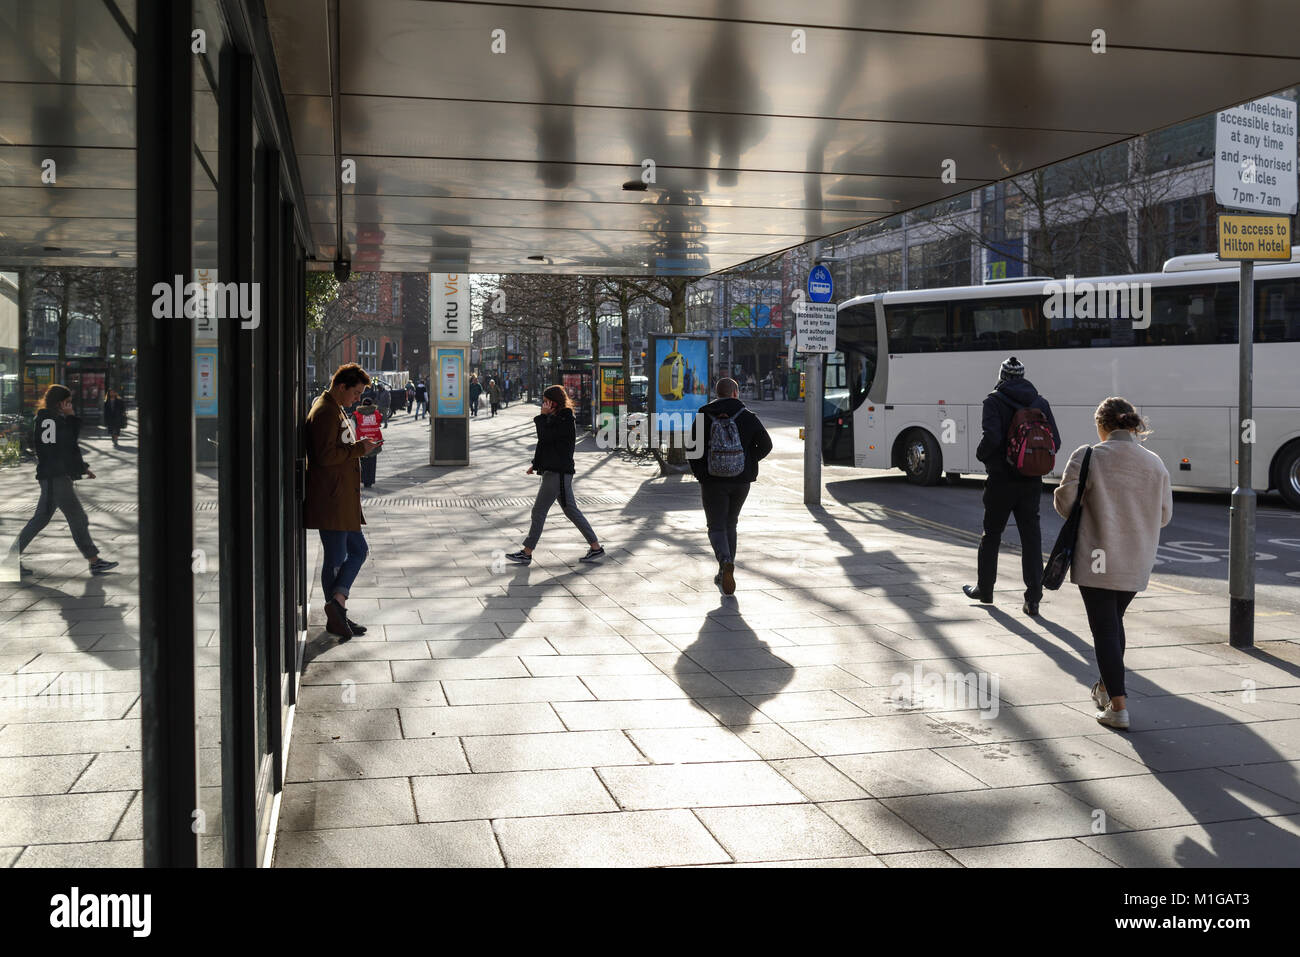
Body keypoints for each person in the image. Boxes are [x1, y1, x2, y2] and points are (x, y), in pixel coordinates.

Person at [1054, 397, 1172, 731]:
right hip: (1136, 559)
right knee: (1113, 621)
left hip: (1097, 557)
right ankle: (1106, 687)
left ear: (1101, 425)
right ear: (1132, 425)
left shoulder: (1088, 456)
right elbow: (1164, 515)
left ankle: (1118, 707)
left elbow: (1066, 505)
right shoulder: (1155, 463)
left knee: (1105, 627)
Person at [964, 356, 1061, 616]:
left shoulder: (993, 401)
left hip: (1001, 480)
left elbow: (992, 437)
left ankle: (985, 590)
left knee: (992, 534)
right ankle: (1033, 598)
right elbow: (1056, 442)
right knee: (1031, 538)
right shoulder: (1040, 402)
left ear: (1002, 376)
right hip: (1031, 482)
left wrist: (983, 457)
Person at [8, 384, 118, 576]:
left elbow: (63, 449)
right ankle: (94, 561)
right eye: (68, 401)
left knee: (41, 519)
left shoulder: (44, 418)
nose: (70, 405)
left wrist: (82, 468)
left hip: (53, 476)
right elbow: (68, 444)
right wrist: (72, 418)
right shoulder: (55, 420)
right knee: (76, 517)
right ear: (60, 402)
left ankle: (10, 559)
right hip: (55, 478)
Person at [305, 363, 381, 641]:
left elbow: (337, 449)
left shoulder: (333, 407)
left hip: (341, 499)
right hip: (333, 499)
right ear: (341, 386)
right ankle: (337, 613)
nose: (357, 398)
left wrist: (358, 446)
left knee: (357, 551)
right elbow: (324, 456)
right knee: (337, 559)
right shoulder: (325, 411)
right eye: (356, 392)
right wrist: (359, 448)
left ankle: (337, 608)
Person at [689, 377, 772, 595]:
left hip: (712, 481)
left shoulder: (703, 414)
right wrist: (748, 461)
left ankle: (725, 561)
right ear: (735, 393)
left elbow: (692, 448)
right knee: (730, 524)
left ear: (717, 393)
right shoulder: (747, 416)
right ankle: (725, 569)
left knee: (716, 526)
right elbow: (766, 444)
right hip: (741, 481)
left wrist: (701, 473)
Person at [506, 385, 604, 565]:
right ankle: (596, 547)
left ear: (554, 402)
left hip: (558, 473)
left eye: (546, 401)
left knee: (539, 511)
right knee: (571, 511)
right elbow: (545, 445)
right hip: (556, 472)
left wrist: (542, 416)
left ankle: (527, 552)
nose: (543, 404)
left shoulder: (565, 419)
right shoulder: (557, 417)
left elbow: (545, 437)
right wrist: (535, 465)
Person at [353, 395, 383, 487]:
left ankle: (364, 479)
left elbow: (353, 426)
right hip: (374, 440)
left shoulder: (356, 415)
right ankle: (370, 480)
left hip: (362, 441)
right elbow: (379, 423)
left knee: (363, 462)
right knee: (372, 461)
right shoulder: (377, 413)